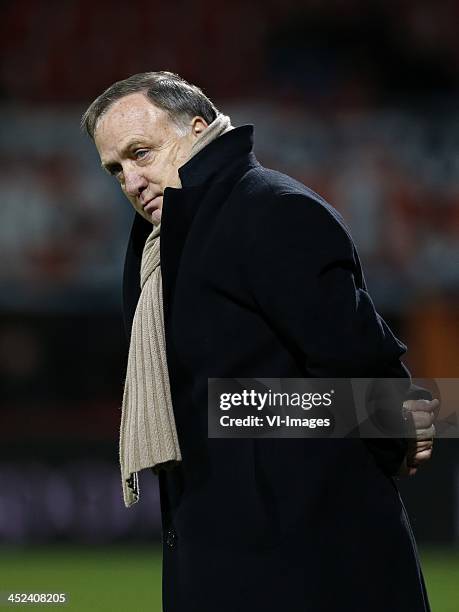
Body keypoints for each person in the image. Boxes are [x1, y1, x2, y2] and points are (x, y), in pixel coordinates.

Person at [81, 72, 436, 612]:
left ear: (197, 130)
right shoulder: (158, 246)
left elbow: (361, 361)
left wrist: (397, 426)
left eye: (141, 153)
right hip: (222, 554)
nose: (131, 180)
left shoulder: (271, 210)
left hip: (306, 561)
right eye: (116, 169)